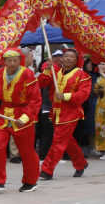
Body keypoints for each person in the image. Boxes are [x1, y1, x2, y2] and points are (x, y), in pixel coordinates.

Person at [0, 48, 41, 193]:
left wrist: (25, 117)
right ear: (4, 61)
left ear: (19, 60)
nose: (13, 63)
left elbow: (35, 100)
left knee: (26, 151)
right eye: (9, 60)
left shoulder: (27, 74)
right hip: (3, 114)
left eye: (15, 60)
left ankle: (30, 181)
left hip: (22, 114)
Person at [39, 48, 92, 180]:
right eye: (66, 56)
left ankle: (47, 170)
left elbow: (83, 95)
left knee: (58, 141)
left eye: (71, 57)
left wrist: (65, 96)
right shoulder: (55, 72)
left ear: (77, 60)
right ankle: (81, 163)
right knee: (67, 141)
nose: (68, 59)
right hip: (56, 111)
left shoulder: (82, 75)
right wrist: (47, 69)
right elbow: (41, 83)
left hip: (70, 113)